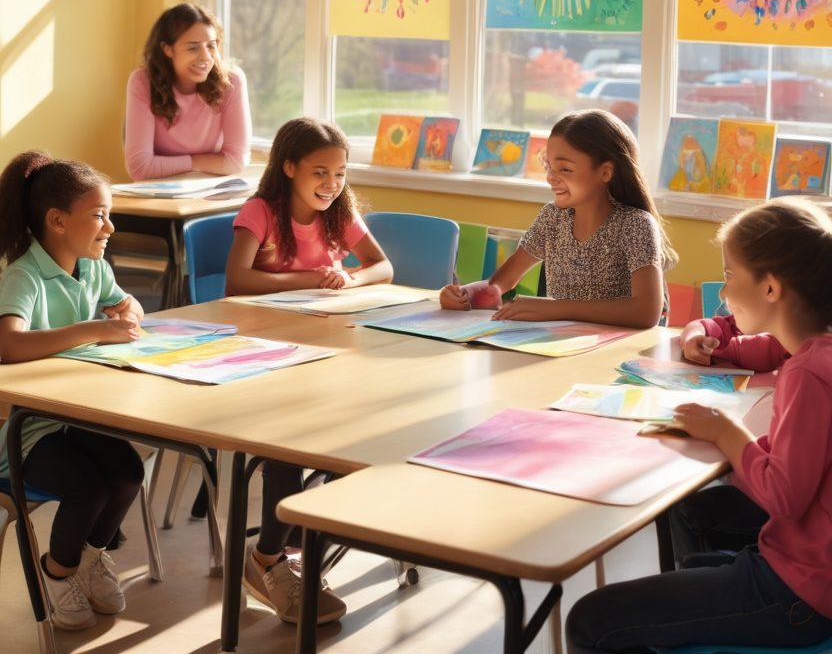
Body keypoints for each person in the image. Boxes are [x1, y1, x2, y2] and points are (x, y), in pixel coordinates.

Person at [566, 197, 832, 653]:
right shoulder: (811, 351)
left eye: (729, 275)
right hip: (808, 568)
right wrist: (733, 439)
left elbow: (785, 498)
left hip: (799, 594)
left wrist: (727, 435)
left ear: (771, 288)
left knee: (592, 620)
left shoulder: (808, 373)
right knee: (695, 514)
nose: (724, 292)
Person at [225, 117, 392, 625]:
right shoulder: (261, 211)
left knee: (342, 447)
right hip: (263, 354)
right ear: (289, 167)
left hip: (326, 353)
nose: (332, 184)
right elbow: (238, 277)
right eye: (320, 171)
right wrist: (302, 279)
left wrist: (349, 276)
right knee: (286, 452)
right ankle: (267, 560)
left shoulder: (339, 212)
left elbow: (383, 267)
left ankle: (291, 554)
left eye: (340, 173)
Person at [0, 151, 146, 631]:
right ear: (58, 221)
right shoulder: (23, 275)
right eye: (100, 216)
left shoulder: (93, 266)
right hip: (25, 432)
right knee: (87, 487)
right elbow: (8, 343)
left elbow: (126, 304)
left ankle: (90, 558)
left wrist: (128, 314)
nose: (110, 228)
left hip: (79, 417)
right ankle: (57, 573)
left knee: (127, 472)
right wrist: (91, 330)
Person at [440, 110, 673, 328]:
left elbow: (646, 312)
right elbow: (497, 285)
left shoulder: (636, 225)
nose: (551, 177)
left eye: (565, 169)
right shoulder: (553, 217)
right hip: (560, 346)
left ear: (606, 172)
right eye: (549, 166)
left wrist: (556, 308)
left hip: (612, 354)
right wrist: (465, 295)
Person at [124, 3, 251, 180]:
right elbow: (139, 167)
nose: (206, 57)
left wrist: (171, 164)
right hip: (157, 192)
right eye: (193, 47)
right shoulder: (142, 81)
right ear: (167, 49)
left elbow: (237, 161)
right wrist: (201, 163)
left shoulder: (232, 82)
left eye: (211, 46)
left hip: (211, 192)